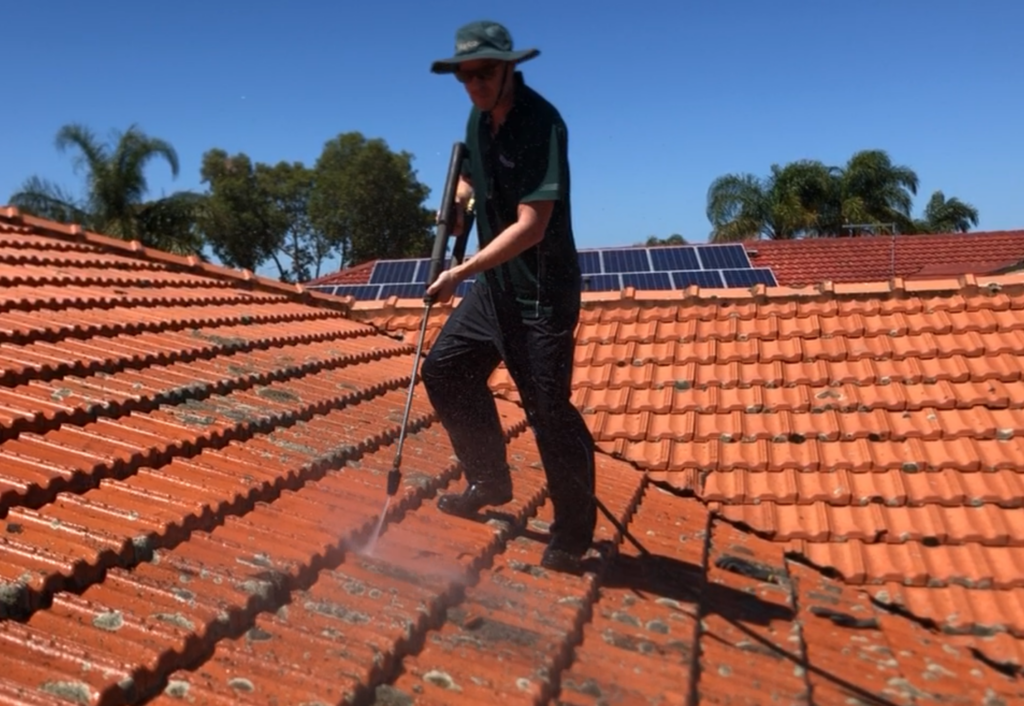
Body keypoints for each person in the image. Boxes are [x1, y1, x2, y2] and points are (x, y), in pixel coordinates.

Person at [421, 20, 597, 573]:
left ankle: (573, 530)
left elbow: (533, 224)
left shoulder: (542, 123)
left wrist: (462, 269)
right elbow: (472, 180)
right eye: (464, 76)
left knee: (548, 410)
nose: (473, 84)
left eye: (483, 73)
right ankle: (489, 480)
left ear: (508, 69)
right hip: (496, 290)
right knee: (445, 371)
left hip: (541, 297)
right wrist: (456, 205)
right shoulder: (478, 118)